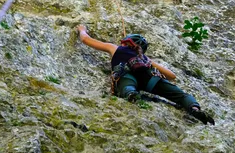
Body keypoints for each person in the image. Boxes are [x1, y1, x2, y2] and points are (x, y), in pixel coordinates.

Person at [76, 27, 215, 125]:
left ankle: (131, 94)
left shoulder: (115, 48)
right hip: (150, 79)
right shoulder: (146, 60)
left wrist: (82, 29)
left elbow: (86, 40)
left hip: (126, 75)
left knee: (127, 85)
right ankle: (194, 108)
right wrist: (151, 64)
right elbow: (172, 76)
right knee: (181, 96)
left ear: (126, 41)